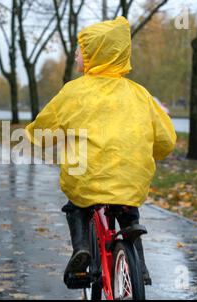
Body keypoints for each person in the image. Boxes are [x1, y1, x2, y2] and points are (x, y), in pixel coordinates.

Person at [25, 17, 176, 288]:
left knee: (78, 204)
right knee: (128, 210)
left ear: (95, 54)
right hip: (131, 179)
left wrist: (33, 136)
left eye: (81, 49)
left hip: (88, 177)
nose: (76, 55)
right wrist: (157, 152)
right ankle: (138, 264)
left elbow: (43, 131)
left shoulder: (74, 92)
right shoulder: (140, 94)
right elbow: (165, 140)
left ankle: (81, 249)